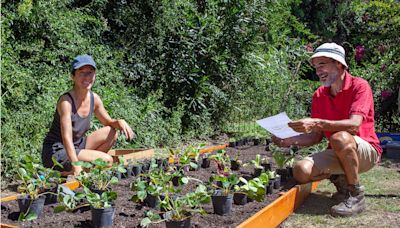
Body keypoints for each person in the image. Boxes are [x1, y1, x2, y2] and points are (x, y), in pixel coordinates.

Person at [272, 43, 382, 217]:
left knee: (340, 138)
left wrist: (318, 123)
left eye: (322, 64)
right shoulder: (319, 95)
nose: (318, 71)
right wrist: (289, 140)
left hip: (365, 150)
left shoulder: (360, 86)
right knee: (301, 170)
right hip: (339, 150)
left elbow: (354, 125)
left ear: (339, 63)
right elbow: (316, 137)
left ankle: (356, 194)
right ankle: (341, 180)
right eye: (315, 67)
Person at [42, 55, 135, 176]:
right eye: (81, 73)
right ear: (73, 76)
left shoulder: (94, 99)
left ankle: (81, 168)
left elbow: (108, 122)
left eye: (90, 72)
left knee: (111, 132)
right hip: (58, 151)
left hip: (77, 145)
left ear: (95, 75)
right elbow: (66, 138)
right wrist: (76, 165)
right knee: (107, 160)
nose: (87, 77)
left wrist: (120, 122)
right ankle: (72, 170)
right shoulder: (66, 102)